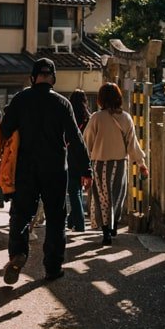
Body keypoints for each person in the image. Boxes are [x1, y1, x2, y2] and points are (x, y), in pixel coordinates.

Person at [0, 58, 90, 283]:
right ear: (53, 78)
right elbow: (75, 138)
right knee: (56, 217)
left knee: (21, 214)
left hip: (25, 168)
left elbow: (5, 129)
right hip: (55, 169)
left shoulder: (20, 99)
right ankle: (52, 267)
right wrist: (86, 169)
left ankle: (18, 253)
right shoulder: (62, 103)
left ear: (32, 77)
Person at [82, 81, 148, 245]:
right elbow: (132, 143)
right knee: (117, 197)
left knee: (102, 198)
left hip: (99, 164)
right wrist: (141, 164)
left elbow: (86, 142)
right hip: (119, 165)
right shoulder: (126, 118)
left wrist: (83, 166)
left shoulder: (96, 117)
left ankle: (106, 231)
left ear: (101, 99)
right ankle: (112, 226)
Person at [64, 89, 92, 231]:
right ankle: (72, 221)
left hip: (70, 155)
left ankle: (79, 223)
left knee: (73, 190)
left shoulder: (69, 115)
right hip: (84, 155)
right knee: (78, 190)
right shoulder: (88, 117)